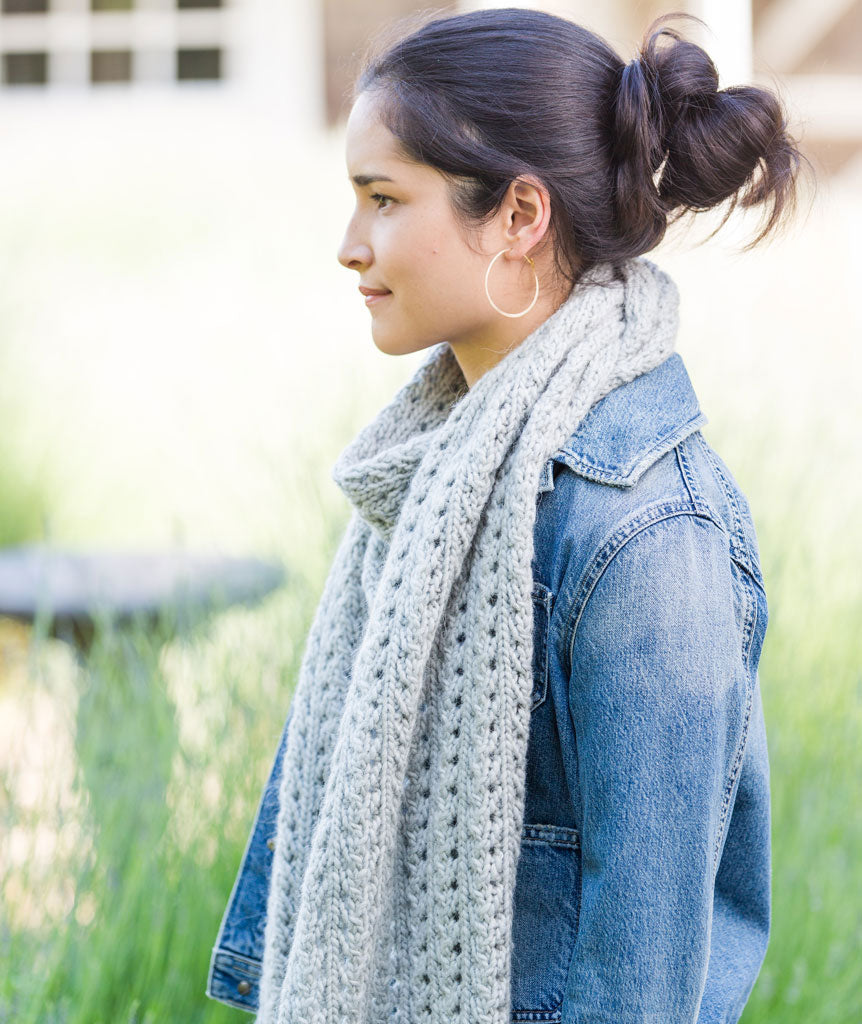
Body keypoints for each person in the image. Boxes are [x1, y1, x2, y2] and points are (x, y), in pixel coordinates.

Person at [206, 8, 805, 1023]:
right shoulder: (430, 473)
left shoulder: (649, 534)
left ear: (520, 217)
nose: (350, 246)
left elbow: (643, 983)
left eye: (384, 199)